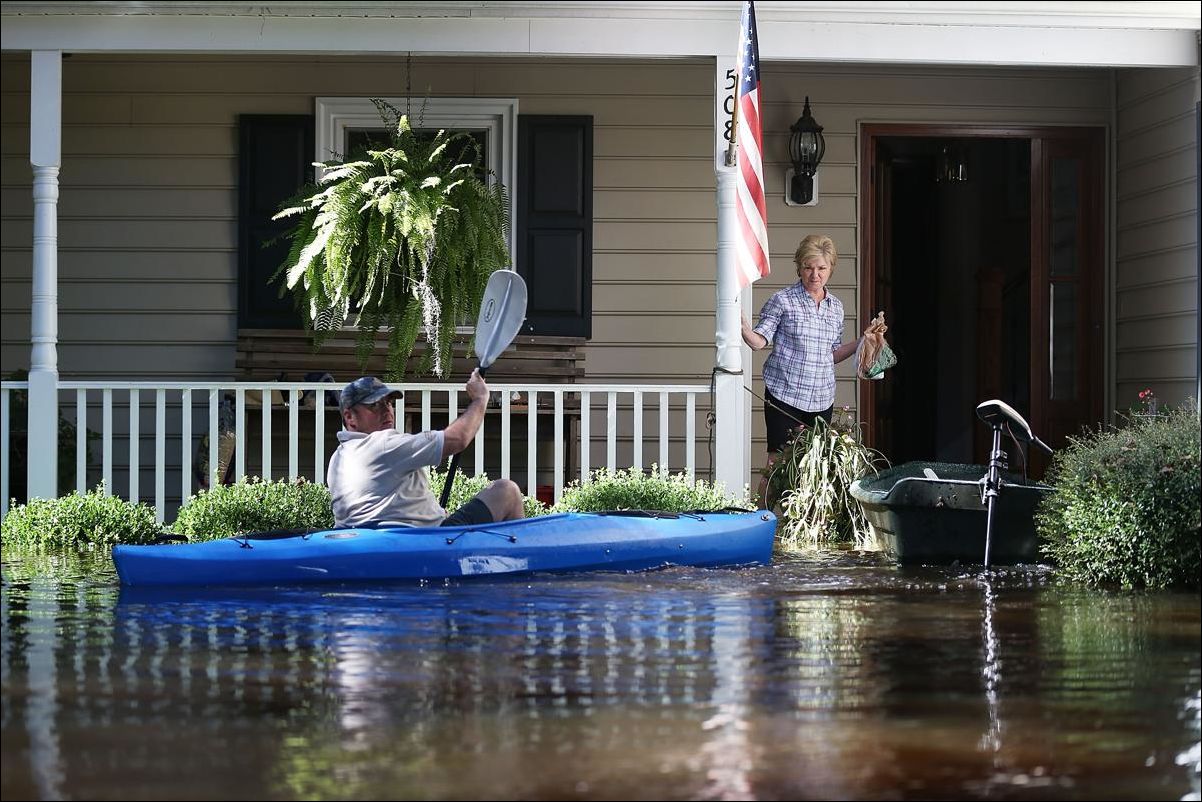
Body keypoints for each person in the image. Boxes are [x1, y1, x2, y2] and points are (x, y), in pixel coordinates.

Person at [740, 234, 869, 508]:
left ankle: (801, 522)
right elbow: (760, 340)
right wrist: (743, 329)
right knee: (777, 462)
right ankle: (759, 518)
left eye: (821, 268)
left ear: (830, 269)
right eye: (809, 267)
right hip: (784, 393)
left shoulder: (835, 308)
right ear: (799, 267)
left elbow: (831, 353)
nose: (815, 274)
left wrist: (861, 342)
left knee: (813, 464)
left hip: (821, 397)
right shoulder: (783, 300)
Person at [326, 373, 525, 528]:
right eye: (375, 405)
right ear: (350, 417)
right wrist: (480, 399)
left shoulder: (339, 458)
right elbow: (458, 438)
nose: (387, 410)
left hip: (380, 541)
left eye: (389, 403)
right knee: (506, 491)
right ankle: (521, 564)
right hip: (429, 541)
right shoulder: (383, 444)